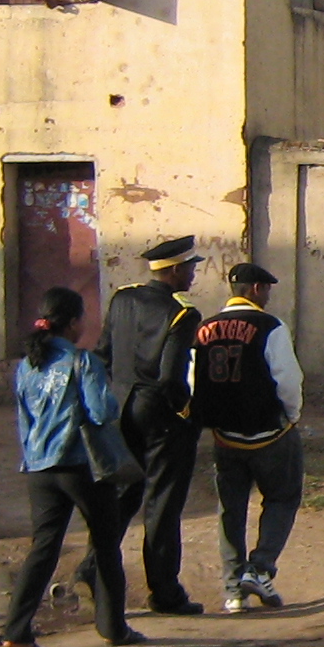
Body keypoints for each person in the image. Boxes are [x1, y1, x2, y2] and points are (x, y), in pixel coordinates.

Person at [2, 288, 141, 647]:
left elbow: (23, 419)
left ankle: (17, 633)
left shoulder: (27, 365)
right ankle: (113, 628)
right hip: (81, 466)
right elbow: (99, 412)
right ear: (74, 321)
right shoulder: (82, 361)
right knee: (106, 542)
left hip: (39, 466)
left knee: (43, 548)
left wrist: (34, 456)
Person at [97, 237, 205, 614]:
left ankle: (94, 569)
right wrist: (188, 415)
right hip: (159, 414)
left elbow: (104, 355)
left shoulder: (122, 299)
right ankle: (164, 590)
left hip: (120, 406)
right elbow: (171, 379)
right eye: (190, 267)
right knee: (162, 502)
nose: (193, 273)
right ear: (174, 270)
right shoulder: (181, 313)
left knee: (123, 496)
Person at [190, 264, 304, 615]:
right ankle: (260, 567)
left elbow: (193, 382)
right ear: (255, 289)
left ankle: (233, 590)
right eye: (266, 289)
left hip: (226, 436)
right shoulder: (270, 326)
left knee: (231, 509)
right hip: (269, 432)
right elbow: (287, 378)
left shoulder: (204, 328)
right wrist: (292, 415)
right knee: (282, 499)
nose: (268, 296)